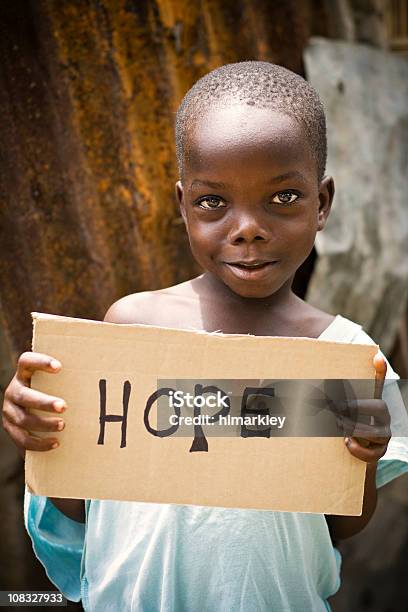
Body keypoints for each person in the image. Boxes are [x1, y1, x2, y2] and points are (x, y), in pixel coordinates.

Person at [3, 61, 408, 611]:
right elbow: (80, 506)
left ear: (323, 203)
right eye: (213, 201)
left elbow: (339, 525)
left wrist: (361, 457)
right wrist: (42, 435)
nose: (247, 227)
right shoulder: (132, 327)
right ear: (182, 206)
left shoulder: (344, 355)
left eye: (283, 196)